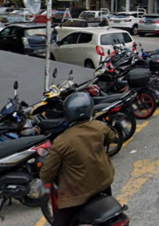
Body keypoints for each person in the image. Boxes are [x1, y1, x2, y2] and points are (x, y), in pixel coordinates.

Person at [40, 92, 115, 226]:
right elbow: (111, 137)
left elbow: (46, 174)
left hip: (77, 195)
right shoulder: (99, 127)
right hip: (104, 182)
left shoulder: (61, 142)